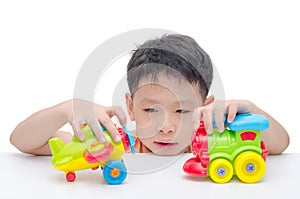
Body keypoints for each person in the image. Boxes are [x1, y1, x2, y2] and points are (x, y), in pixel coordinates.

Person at [10, 34, 289, 156]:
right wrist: (66, 109)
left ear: (205, 108)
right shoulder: (119, 146)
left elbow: (279, 145)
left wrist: (251, 108)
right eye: (151, 111)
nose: (166, 127)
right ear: (130, 107)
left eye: (182, 111)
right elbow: (23, 142)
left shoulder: (211, 143)